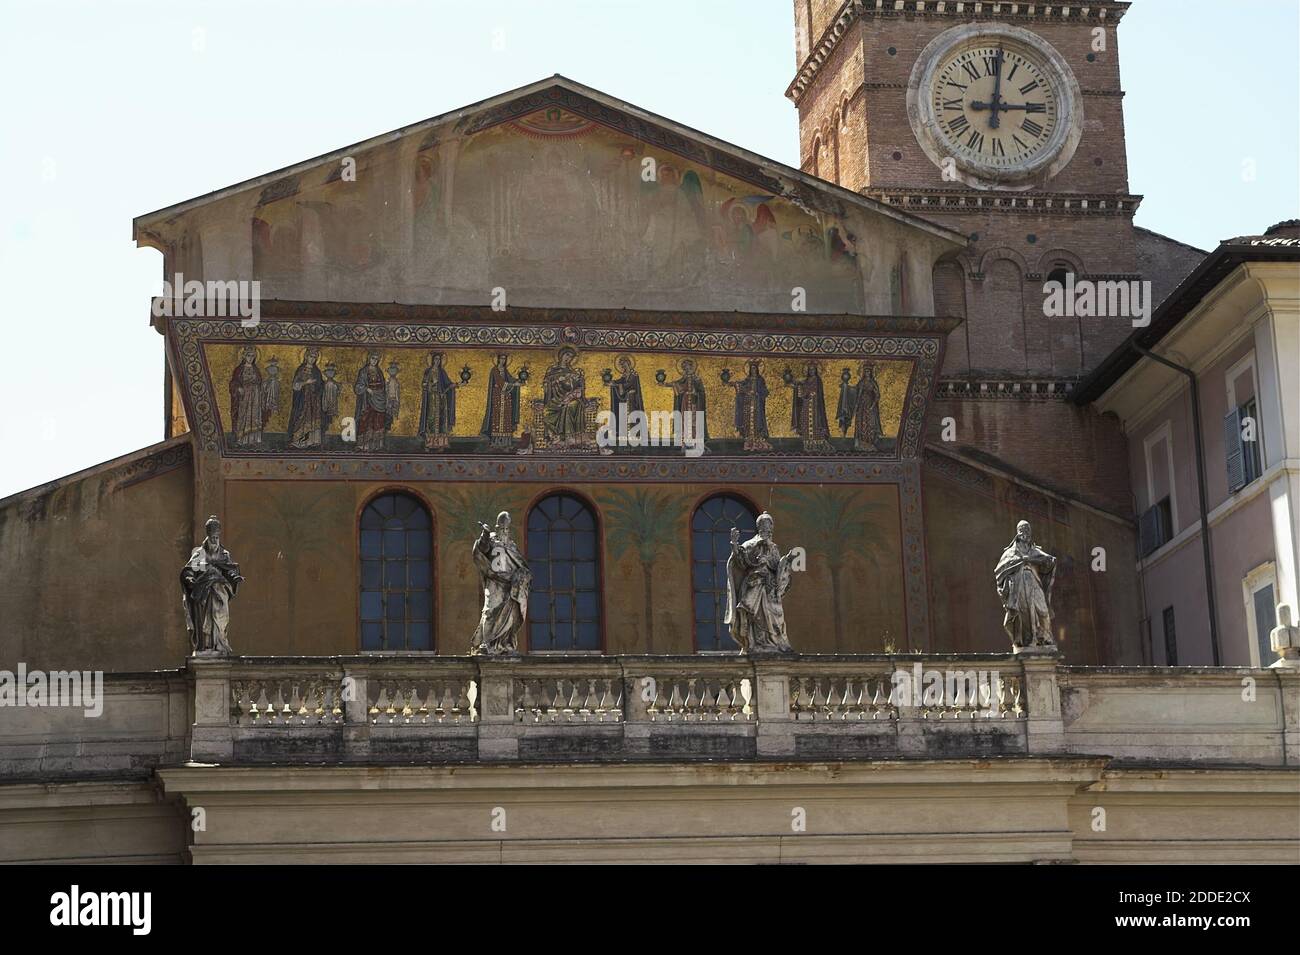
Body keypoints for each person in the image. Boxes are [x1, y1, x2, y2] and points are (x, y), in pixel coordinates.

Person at [725, 512, 799, 655]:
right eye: (765, 525)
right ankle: (757, 643)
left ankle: (775, 643)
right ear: (759, 527)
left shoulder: (774, 548)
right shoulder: (750, 544)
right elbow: (740, 561)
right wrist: (734, 545)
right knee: (755, 616)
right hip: (755, 584)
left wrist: (787, 562)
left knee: (776, 618)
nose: (768, 529)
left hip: (770, 588)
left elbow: (779, 569)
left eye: (770, 525)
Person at [180, 515, 243, 655]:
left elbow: (229, 570)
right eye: (212, 537)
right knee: (206, 620)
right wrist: (190, 579)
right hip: (205, 592)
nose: (214, 540)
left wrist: (234, 577)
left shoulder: (224, 554)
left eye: (216, 537)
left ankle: (220, 643)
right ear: (208, 536)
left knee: (221, 617)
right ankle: (208, 645)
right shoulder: (200, 553)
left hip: (221, 591)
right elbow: (189, 570)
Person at [471, 511, 531, 656]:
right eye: (501, 528)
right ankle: (487, 643)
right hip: (494, 581)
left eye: (506, 529)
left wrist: (521, 577)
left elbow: (520, 564)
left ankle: (504, 644)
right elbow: (481, 549)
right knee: (490, 610)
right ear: (497, 527)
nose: (503, 531)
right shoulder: (491, 539)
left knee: (510, 614)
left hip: (510, 584)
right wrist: (485, 534)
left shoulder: (511, 545)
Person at [994, 520, 1058, 648]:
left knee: (1043, 611)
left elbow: (1050, 560)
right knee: (1024, 613)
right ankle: (1029, 641)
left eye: (1028, 530)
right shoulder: (1010, 553)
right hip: (1019, 584)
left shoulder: (1034, 550)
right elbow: (999, 571)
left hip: (1034, 581)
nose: (1026, 533)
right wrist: (1018, 564)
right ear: (1018, 533)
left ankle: (1045, 637)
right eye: (1023, 530)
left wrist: (1031, 560)